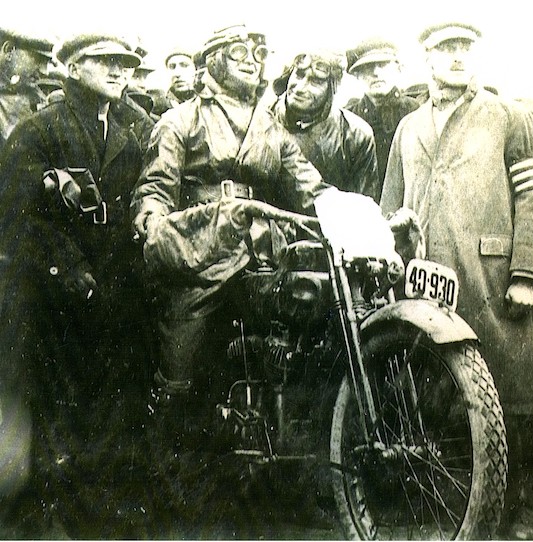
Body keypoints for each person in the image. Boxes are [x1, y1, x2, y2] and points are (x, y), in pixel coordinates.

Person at [381, 22, 533, 539]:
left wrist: (526, 273)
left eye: (465, 49)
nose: (456, 58)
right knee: (439, 392)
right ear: (427, 58)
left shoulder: (508, 117)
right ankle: (457, 505)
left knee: (511, 394)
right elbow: (390, 203)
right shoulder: (408, 127)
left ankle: (522, 508)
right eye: (444, 50)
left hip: (491, 279)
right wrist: (395, 235)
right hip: (425, 280)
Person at [131, 25, 329, 461]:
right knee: (182, 355)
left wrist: (342, 208)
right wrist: (153, 222)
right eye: (239, 50)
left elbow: (310, 187)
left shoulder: (270, 127)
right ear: (214, 60)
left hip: (263, 253)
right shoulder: (180, 120)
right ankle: (170, 457)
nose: (250, 59)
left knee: (302, 335)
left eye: (258, 52)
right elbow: (154, 191)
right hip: (203, 250)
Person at [0, 32, 154, 537]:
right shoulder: (37, 130)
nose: (118, 71)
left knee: (108, 411)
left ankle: (94, 517)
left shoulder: (133, 133)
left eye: (125, 64)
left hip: (114, 290)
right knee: (56, 415)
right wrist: (66, 270)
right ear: (71, 67)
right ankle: (51, 521)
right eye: (103, 61)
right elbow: (18, 218)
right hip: (53, 298)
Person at [272, 49, 379, 200]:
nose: (301, 88)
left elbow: (363, 207)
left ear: (332, 88)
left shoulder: (356, 135)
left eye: (315, 81)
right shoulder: (263, 120)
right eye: (299, 75)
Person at [344, 38, 418, 188]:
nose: (376, 73)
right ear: (357, 74)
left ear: (398, 68)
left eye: (383, 65)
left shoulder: (415, 111)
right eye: (367, 67)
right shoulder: (348, 118)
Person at [0, 27, 52, 147]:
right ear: (9, 50)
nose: (45, 72)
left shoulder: (34, 95)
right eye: (38, 59)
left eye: (47, 62)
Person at [151, 47, 197, 116]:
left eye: (184, 65)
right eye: (172, 67)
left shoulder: (208, 106)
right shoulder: (157, 110)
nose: (177, 73)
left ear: (195, 70)